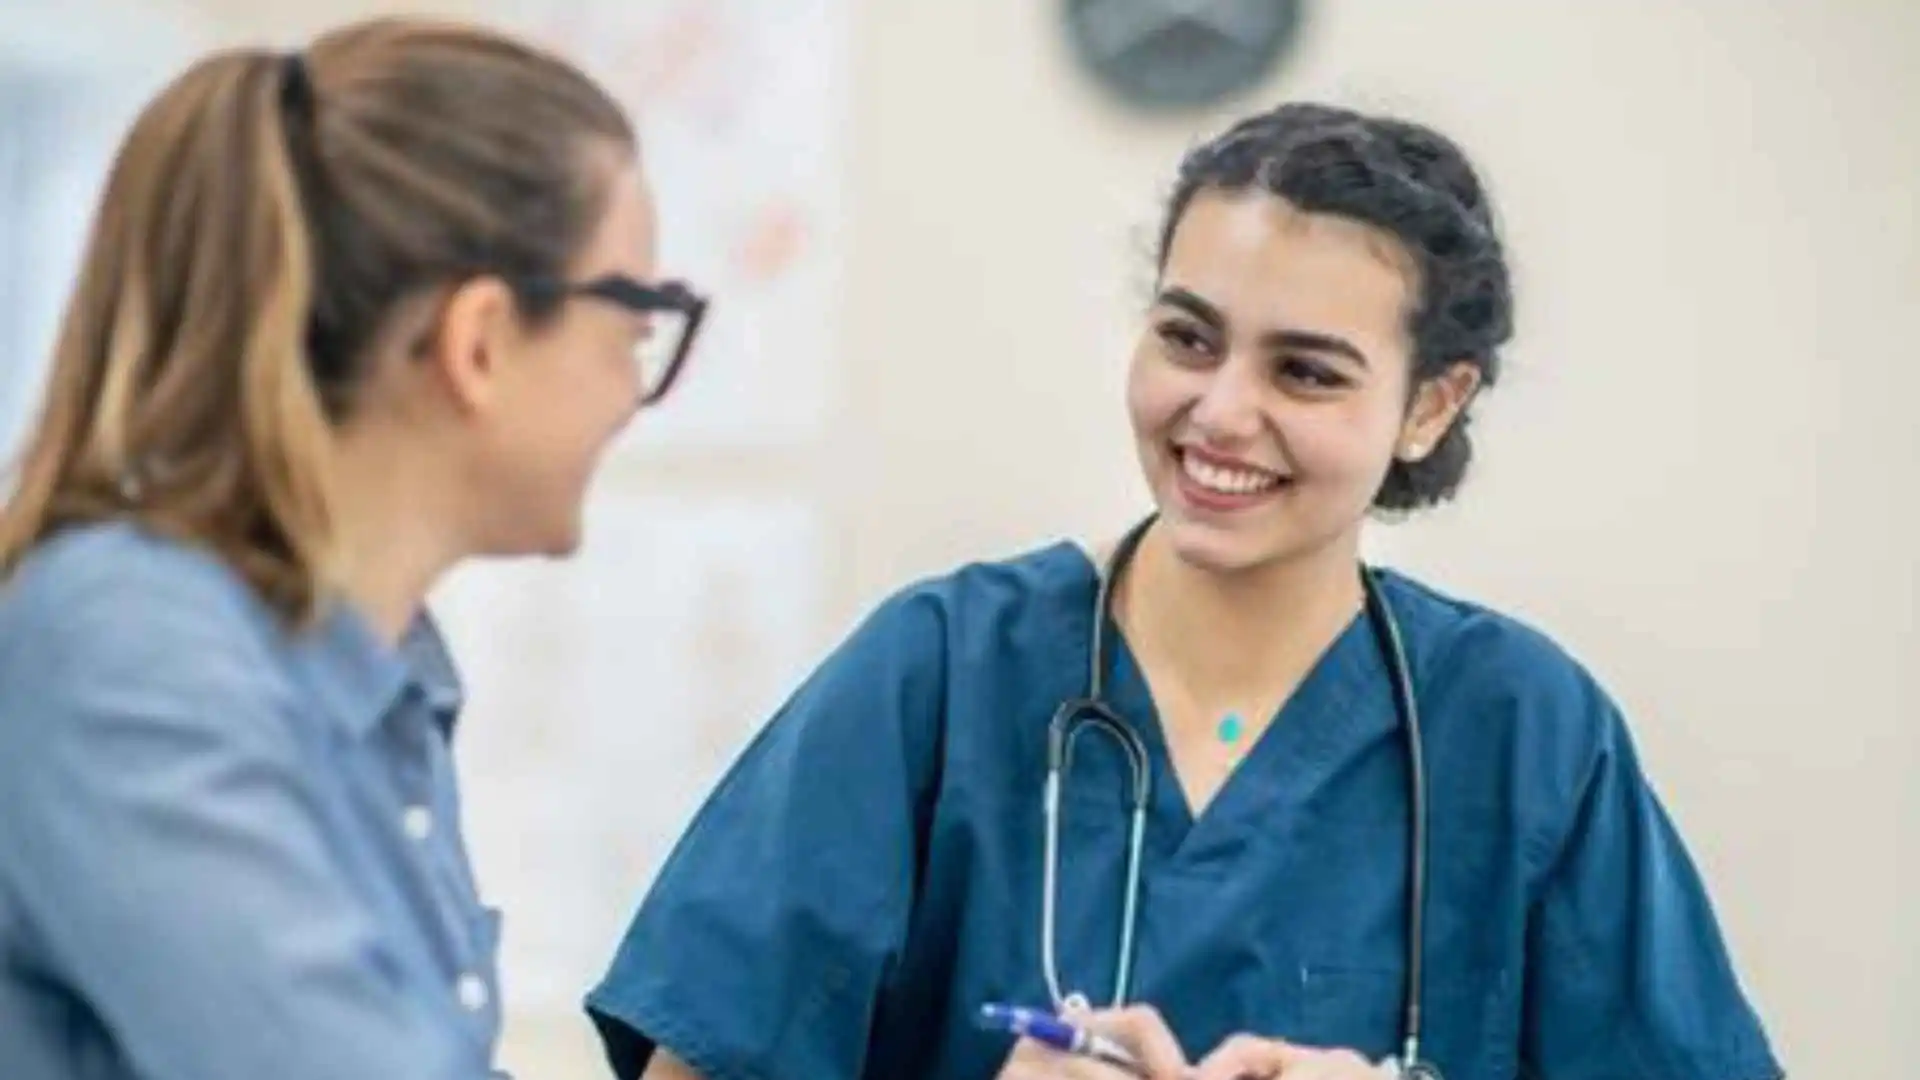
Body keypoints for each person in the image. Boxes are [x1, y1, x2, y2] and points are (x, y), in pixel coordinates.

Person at [585, 101, 1781, 1080]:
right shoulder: (942, 674)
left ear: (1430, 406)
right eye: (1189, 339)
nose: (1218, 413)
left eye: (1305, 372)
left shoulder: (1522, 734)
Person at [0, 16, 706, 1080]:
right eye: (637, 316)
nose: (633, 388)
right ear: (478, 341)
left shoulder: (386, 681)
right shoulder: (128, 647)